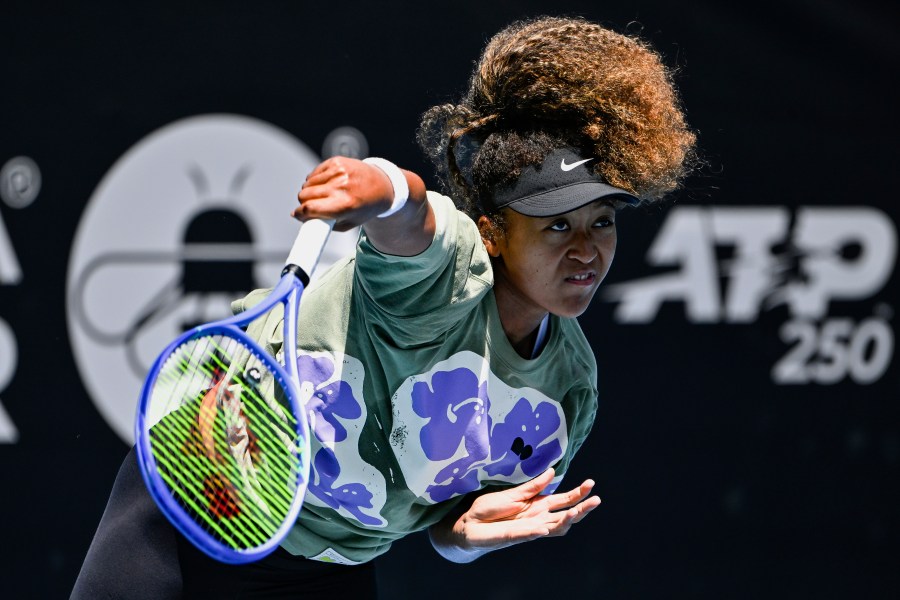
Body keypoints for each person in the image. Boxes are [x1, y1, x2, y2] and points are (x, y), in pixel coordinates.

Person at [72, 15, 695, 599]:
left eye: (603, 222)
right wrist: (383, 187)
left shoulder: (569, 392)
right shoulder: (446, 272)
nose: (586, 249)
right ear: (493, 232)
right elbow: (411, 217)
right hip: (195, 493)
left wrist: (465, 538)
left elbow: (447, 527)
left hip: (329, 568)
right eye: (557, 225)